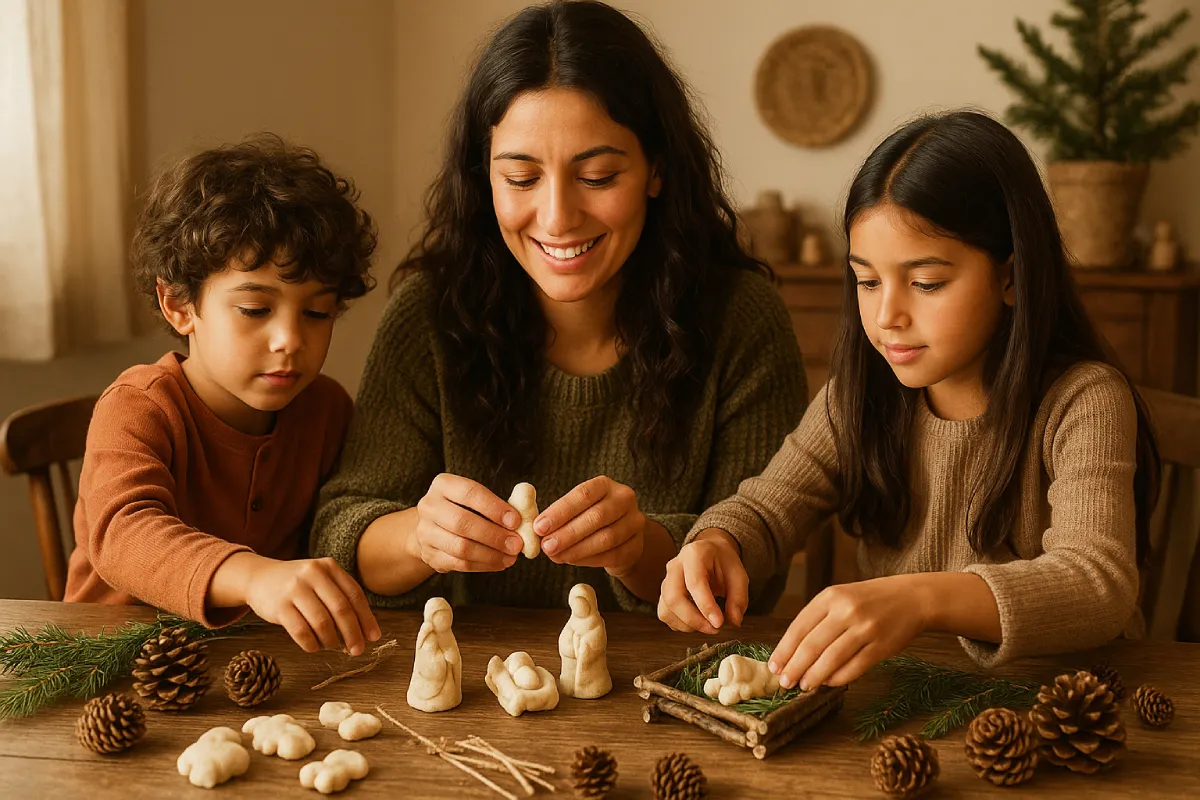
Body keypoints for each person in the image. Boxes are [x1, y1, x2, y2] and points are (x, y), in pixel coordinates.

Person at [311, 0, 806, 613]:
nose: (556, 218)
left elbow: (756, 579)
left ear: (656, 168)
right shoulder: (429, 315)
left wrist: (640, 549)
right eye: (521, 179)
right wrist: (419, 535)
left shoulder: (741, 319)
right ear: (483, 177)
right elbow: (339, 535)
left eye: (597, 176)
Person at [659, 111, 1160, 688]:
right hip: (904, 701)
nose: (887, 316)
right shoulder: (857, 396)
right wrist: (718, 540)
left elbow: (1097, 584)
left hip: (1063, 703)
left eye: (926, 283)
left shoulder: (1083, 401)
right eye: (867, 282)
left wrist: (919, 598)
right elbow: (769, 508)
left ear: (1012, 278)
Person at [64, 135, 382, 656]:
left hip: (259, 671)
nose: (291, 339)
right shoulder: (138, 406)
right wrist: (253, 577)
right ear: (179, 305)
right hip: (106, 669)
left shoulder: (326, 411)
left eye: (317, 312)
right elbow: (124, 534)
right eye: (256, 310)